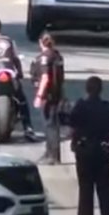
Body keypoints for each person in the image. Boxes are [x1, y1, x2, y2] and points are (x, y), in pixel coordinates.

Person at [69, 76, 109, 215]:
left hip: (85, 152)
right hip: (103, 152)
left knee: (86, 191)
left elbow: (72, 127)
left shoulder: (81, 106)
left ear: (87, 89)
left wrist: (74, 143)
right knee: (105, 191)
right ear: (101, 89)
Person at [32, 31, 65, 163]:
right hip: (56, 93)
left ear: (41, 42)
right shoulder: (57, 56)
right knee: (52, 124)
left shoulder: (44, 58)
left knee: (50, 125)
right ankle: (49, 152)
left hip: (48, 95)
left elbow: (45, 78)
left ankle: (53, 156)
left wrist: (39, 95)